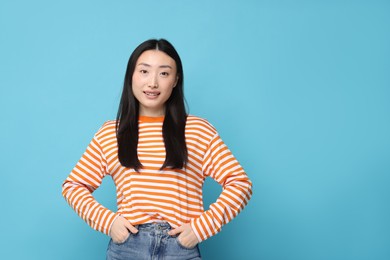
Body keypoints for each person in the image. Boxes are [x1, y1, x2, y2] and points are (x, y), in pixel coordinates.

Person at [62, 38, 252, 260]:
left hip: (180, 249)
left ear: (175, 80)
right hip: (127, 248)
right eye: (144, 71)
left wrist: (200, 228)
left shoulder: (197, 130)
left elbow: (240, 183)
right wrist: (109, 222)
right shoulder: (111, 133)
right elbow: (73, 186)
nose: (152, 82)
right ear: (131, 76)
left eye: (163, 73)